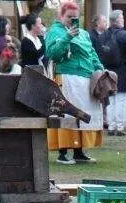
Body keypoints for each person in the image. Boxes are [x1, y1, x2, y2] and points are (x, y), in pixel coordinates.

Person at [45, 1, 105, 164]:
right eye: (69, 17)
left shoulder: (84, 34)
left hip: (86, 78)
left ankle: (79, 151)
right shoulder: (55, 31)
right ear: (61, 16)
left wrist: (100, 69)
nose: (72, 20)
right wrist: (67, 37)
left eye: (75, 17)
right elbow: (53, 54)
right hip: (67, 76)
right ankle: (63, 153)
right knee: (67, 113)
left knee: (83, 113)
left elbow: (92, 53)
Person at [101, 10, 126, 137]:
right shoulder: (124, 35)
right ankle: (119, 127)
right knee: (120, 100)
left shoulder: (103, 35)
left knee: (110, 100)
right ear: (116, 21)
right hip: (121, 71)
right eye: (122, 18)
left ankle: (111, 126)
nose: (123, 20)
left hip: (107, 71)